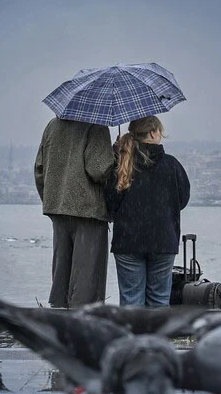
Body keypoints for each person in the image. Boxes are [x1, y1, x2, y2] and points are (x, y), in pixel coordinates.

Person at [105, 116, 190, 307]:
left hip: (128, 242)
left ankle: (132, 336)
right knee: (159, 300)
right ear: (153, 133)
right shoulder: (172, 165)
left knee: (131, 300)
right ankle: (157, 337)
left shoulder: (122, 164)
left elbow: (110, 202)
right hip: (163, 241)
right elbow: (182, 200)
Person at [34, 117, 115, 308]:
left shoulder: (52, 125)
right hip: (88, 211)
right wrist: (114, 156)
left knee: (61, 274)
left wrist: (52, 200)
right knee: (87, 276)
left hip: (58, 208)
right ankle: (83, 324)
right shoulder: (96, 124)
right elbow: (98, 170)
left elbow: (39, 169)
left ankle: (60, 318)